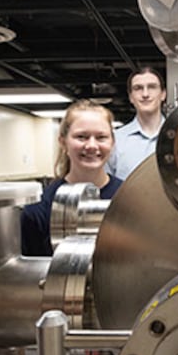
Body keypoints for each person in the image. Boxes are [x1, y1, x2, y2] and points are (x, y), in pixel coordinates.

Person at [21, 100, 122, 256]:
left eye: (101, 137)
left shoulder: (127, 198)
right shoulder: (40, 207)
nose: (92, 146)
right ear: (63, 142)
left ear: (112, 143)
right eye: (81, 137)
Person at [106, 67, 166, 180]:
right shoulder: (114, 140)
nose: (145, 94)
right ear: (131, 97)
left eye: (152, 87)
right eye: (138, 88)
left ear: (163, 94)